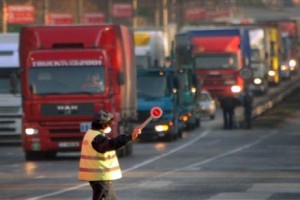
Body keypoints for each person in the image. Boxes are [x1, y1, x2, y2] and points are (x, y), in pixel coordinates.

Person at [78, 110, 141, 200]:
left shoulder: (90, 134)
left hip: (98, 176)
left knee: (110, 198)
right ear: (104, 125)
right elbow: (112, 144)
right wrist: (130, 137)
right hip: (100, 176)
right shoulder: (97, 138)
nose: (111, 125)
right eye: (109, 123)